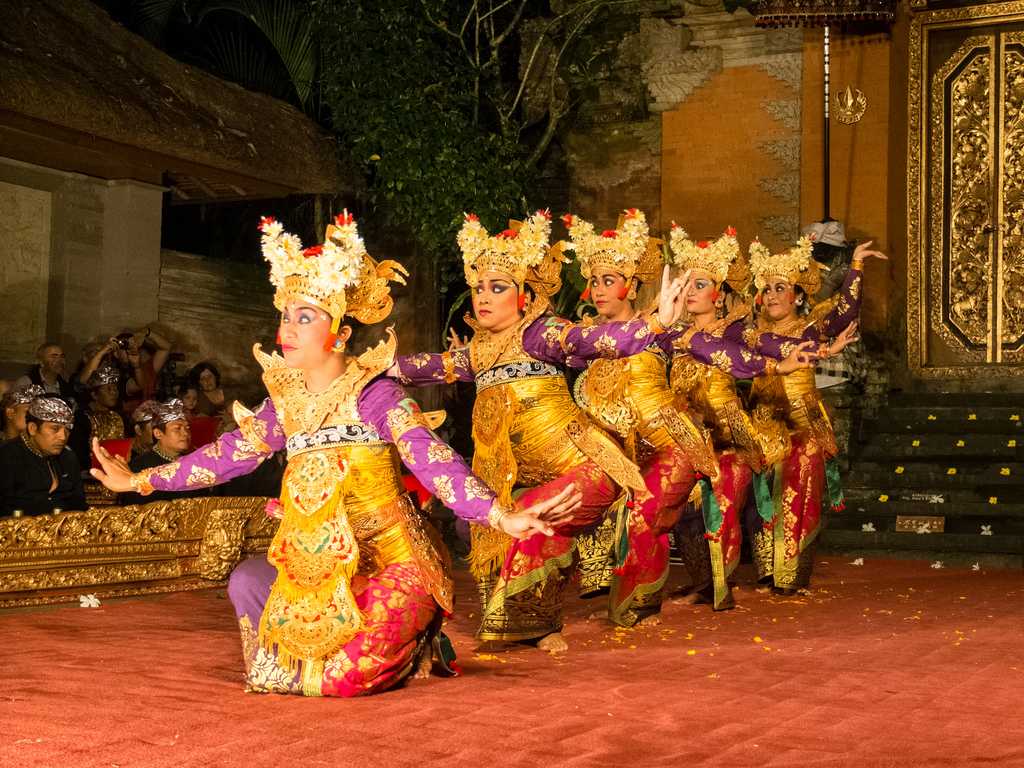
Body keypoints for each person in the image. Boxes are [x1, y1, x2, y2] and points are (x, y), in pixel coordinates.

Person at [90, 211, 581, 697]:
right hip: (319, 565)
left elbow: (433, 461)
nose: (290, 328)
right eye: (286, 316)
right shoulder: (283, 405)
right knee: (248, 580)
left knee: (347, 677)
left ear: (340, 334)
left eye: (306, 318)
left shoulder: (375, 394)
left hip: (390, 559)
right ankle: (304, 661)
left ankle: (402, 646)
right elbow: (221, 458)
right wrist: (138, 481)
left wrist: (501, 516)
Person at [390, 210, 692, 650]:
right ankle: (538, 624)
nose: (483, 298)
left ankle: (532, 625)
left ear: (526, 297)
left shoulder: (540, 334)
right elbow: (433, 367)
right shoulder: (480, 351)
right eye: (478, 288)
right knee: (485, 522)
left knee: (538, 511)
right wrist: (374, 368)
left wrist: (655, 323)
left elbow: (589, 341)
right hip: (515, 474)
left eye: (498, 288)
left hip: (585, 468)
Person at [565, 212, 815, 622]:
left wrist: (776, 367)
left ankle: (644, 600)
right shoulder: (586, 335)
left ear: (630, 285)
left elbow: (718, 352)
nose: (597, 290)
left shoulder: (661, 329)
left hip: (674, 439)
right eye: (594, 280)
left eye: (608, 280)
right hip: (622, 442)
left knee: (648, 512)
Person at [666, 225, 849, 609]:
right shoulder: (670, 331)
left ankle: (738, 581)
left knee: (729, 495)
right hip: (688, 431)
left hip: (733, 434)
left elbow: (764, 345)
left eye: (701, 284)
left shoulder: (735, 330)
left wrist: (798, 356)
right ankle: (702, 581)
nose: (691, 292)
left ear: (719, 293)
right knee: (682, 504)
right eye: (687, 285)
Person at [744, 235, 886, 593]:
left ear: (799, 295)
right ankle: (767, 572)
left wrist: (855, 267)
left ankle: (791, 575)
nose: (772, 295)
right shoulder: (748, 332)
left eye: (781, 288)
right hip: (761, 420)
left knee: (799, 487)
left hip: (803, 422)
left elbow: (845, 314)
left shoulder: (810, 328)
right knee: (762, 495)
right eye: (767, 289)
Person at [0, 395, 86, 516]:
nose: (63, 437)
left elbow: (79, 504)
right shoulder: (6, 456)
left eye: (67, 429)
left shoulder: (68, 457)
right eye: (55, 429)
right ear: (32, 429)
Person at [120, 399, 199, 505]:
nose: (185, 433)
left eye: (187, 428)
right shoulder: (139, 467)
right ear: (158, 433)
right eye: (177, 429)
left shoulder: (196, 461)